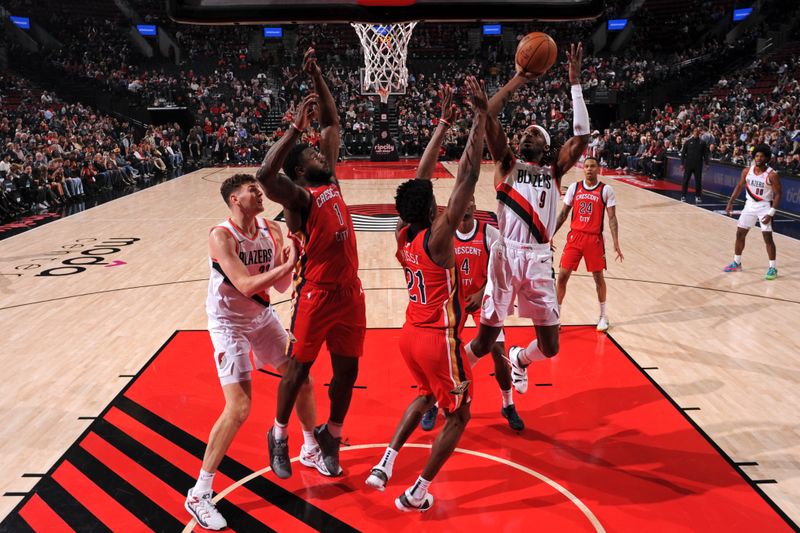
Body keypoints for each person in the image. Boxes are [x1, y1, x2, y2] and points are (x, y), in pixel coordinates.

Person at [364, 76, 488, 512]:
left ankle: (386, 461)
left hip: (409, 336)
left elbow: (417, 182)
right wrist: (479, 117)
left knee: (422, 396)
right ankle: (417, 490)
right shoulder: (438, 237)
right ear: (432, 208)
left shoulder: (403, 232)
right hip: (439, 338)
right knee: (459, 414)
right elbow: (469, 175)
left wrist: (440, 126)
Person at [186, 174, 322, 531]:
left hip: (260, 316)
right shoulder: (221, 236)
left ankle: (309, 448)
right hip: (228, 324)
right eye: (251, 190)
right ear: (234, 199)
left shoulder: (270, 230)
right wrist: (288, 264)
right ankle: (199, 492)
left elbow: (277, 285)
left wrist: (288, 252)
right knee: (240, 407)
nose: (259, 194)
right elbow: (245, 284)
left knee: (300, 377)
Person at [256, 49, 366, 479]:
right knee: (300, 368)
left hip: (350, 293)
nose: (322, 155)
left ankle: (331, 435)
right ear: (300, 173)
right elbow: (266, 175)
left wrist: (319, 77)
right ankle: (280, 435)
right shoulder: (300, 199)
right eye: (313, 157)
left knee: (348, 372)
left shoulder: (331, 179)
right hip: (316, 293)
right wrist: (294, 128)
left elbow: (332, 123)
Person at [462, 43, 591, 395]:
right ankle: (451, 380)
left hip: (538, 259)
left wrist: (575, 84)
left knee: (551, 346)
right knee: (485, 342)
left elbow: (581, 138)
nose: (526, 135)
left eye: (534, 133)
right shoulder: (506, 164)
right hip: (506, 256)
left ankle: (520, 359)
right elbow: (488, 117)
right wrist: (518, 79)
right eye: (525, 133)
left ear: (546, 146)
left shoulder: (553, 168)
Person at [407, 85, 523, 432]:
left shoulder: (489, 233)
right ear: (455, 208)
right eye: (463, 201)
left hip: (481, 297)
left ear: (475, 205)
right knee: (437, 359)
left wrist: (485, 290)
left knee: (499, 352)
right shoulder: (442, 235)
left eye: (472, 201)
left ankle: (507, 404)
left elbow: (504, 272)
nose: (468, 204)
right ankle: (433, 401)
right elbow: (461, 177)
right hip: (450, 304)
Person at [553, 157, 623, 332]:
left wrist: (615, 241)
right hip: (575, 237)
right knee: (562, 277)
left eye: (592, 166)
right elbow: (562, 215)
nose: (589, 169)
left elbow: (612, 218)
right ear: (583, 169)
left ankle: (602, 316)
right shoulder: (574, 188)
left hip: (594, 239)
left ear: (598, 169)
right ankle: (555, 318)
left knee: (598, 278)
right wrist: (549, 235)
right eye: (586, 166)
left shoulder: (606, 190)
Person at [723, 144, 782, 280]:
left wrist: (771, 213)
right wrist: (730, 202)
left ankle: (773, 267)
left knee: (768, 238)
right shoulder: (747, 171)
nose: (759, 158)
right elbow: (739, 186)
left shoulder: (772, 175)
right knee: (740, 234)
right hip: (749, 206)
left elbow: (778, 194)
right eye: (756, 155)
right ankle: (737, 263)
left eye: (761, 156)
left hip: (764, 207)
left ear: (766, 158)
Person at [680, 127, 709, 203]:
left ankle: (698, 196)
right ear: (693, 132)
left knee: (698, 181)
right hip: (688, 164)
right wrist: (682, 164)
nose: (696, 132)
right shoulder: (688, 142)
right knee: (685, 180)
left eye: (698, 131)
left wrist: (707, 163)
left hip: (698, 165)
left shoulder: (702, 142)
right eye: (695, 131)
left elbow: (705, 154)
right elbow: (683, 154)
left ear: (699, 133)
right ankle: (683, 196)